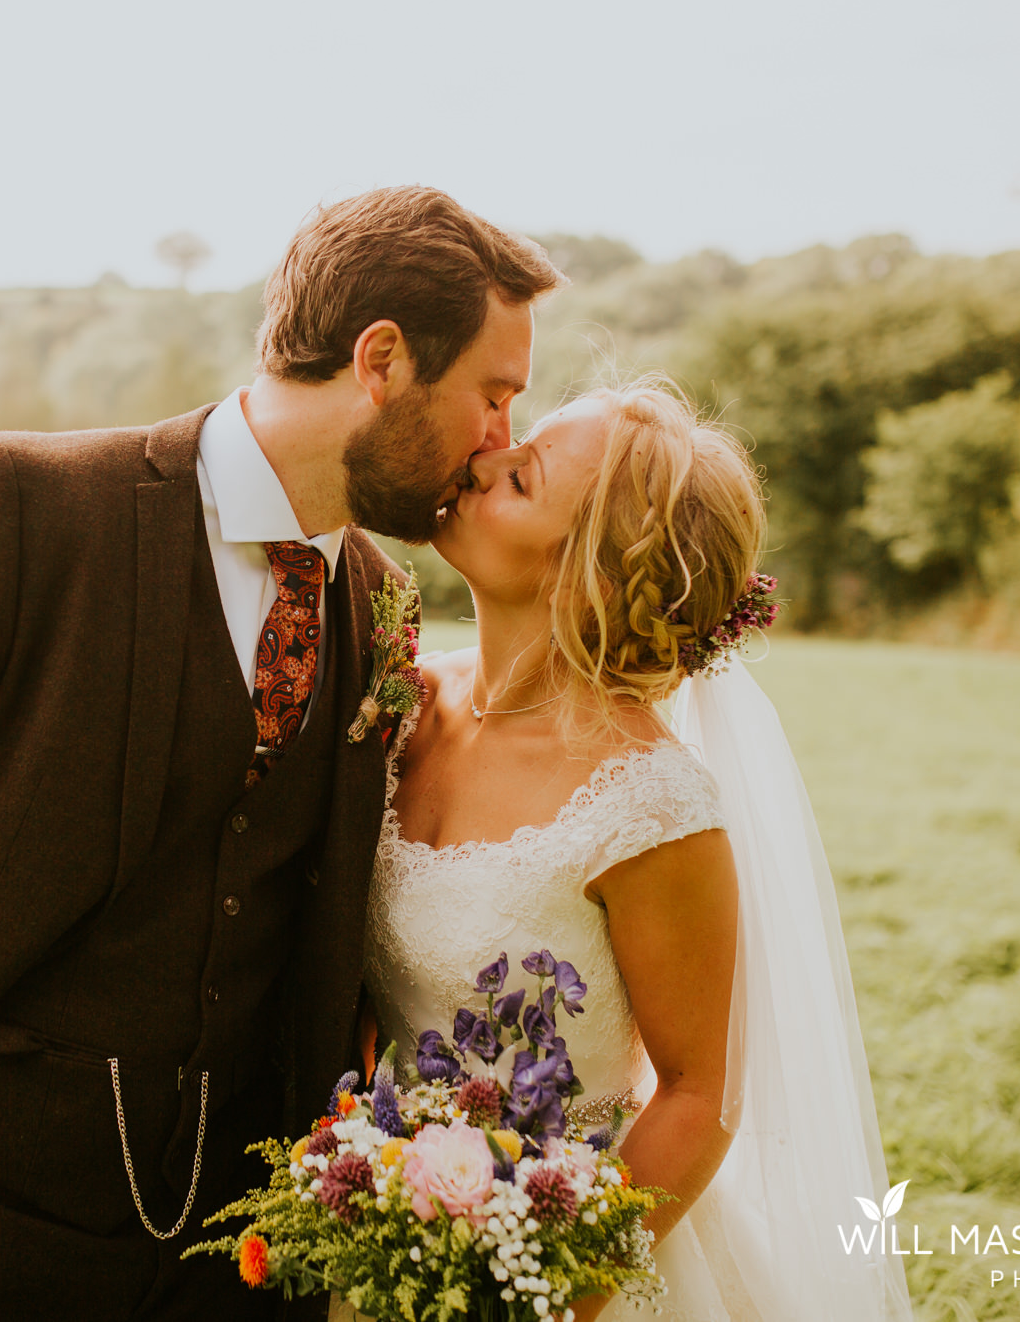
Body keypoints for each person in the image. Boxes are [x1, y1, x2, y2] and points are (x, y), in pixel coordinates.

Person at [0, 185, 565, 1319]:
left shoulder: (380, 603)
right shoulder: (20, 506)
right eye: (493, 395)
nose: (501, 439)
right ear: (383, 358)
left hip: (235, 1261)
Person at [364, 380, 915, 1320]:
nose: (480, 456)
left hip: (561, 1260)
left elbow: (702, 1095)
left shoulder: (650, 804)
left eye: (522, 476)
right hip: (376, 1227)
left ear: (587, 577)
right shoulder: (399, 702)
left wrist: (549, 1288)